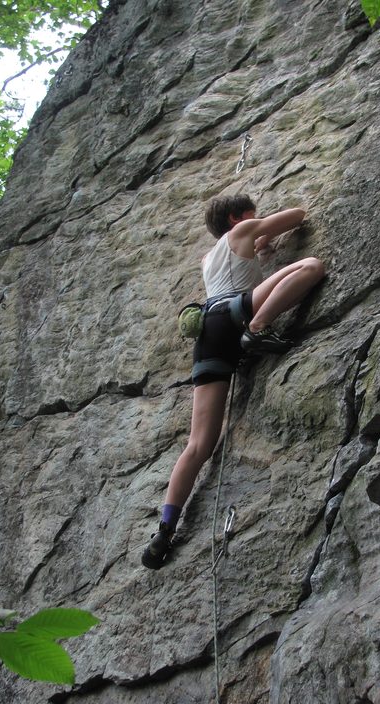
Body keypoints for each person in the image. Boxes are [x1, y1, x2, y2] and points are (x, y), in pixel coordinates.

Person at [141, 193, 325, 569]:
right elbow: (297, 215)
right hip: (236, 313)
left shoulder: (208, 258)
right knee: (311, 265)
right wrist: (260, 231)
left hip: (210, 332)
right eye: (251, 215)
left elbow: (241, 272)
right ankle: (258, 329)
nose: (255, 220)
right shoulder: (243, 229)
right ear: (236, 218)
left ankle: (165, 529)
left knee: (198, 443)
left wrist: (262, 255)